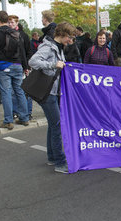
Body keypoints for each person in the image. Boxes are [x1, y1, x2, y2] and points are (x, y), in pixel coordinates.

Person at [29, 22, 76, 173]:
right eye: (69, 37)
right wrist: (53, 64)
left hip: (53, 90)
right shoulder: (48, 46)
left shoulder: (59, 47)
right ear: (62, 34)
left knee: (53, 124)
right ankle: (60, 162)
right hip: (47, 91)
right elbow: (33, 61)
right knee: (57, 125)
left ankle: (51, 157)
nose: (70, 40)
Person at [0, 11, 29, 130]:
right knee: (20, 91)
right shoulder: (16, 33)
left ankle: (8, 120)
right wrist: (25, 66)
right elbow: (22, 51)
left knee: (6, 93)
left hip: (3, 66)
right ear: (7, 20)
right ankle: (24, 118)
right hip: (18, 65)